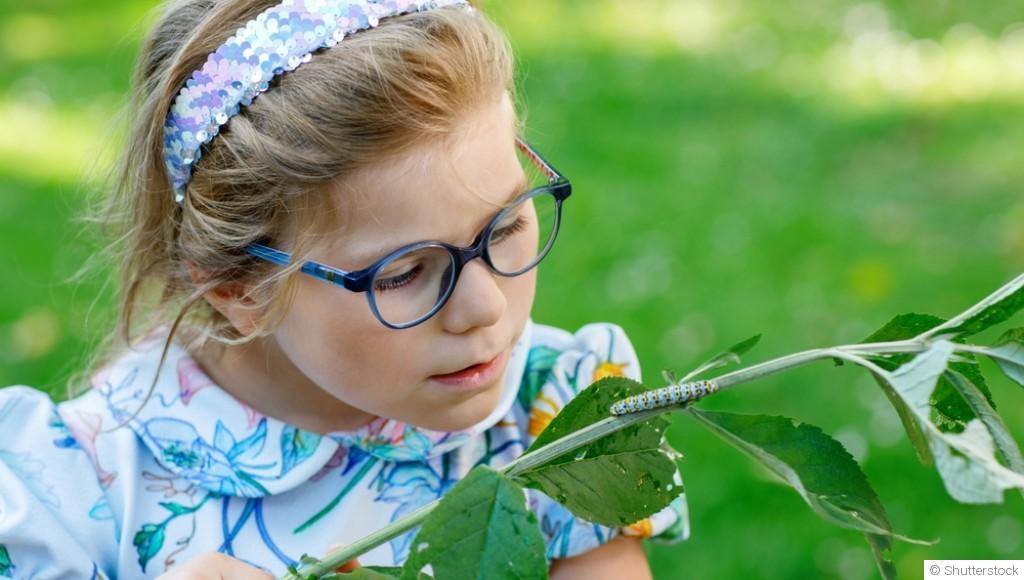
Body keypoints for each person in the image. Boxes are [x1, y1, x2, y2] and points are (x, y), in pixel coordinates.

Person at [0, 0, 688, 577]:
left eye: (505, 225)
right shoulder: (74, 498)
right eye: (404, 273)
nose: (485, 309)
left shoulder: (554, 420)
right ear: (240, 287)